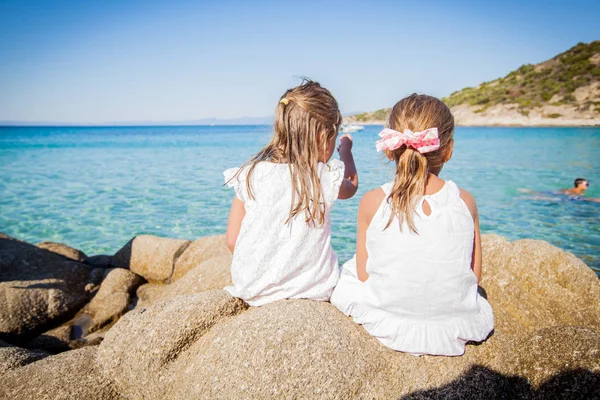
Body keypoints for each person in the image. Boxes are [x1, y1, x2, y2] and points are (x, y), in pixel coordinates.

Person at [331, 94, 494, 356]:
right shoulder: (465, 201)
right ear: (448, 150)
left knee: (348, 272)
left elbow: (364, 275)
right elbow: (474, 276)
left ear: (389, 148)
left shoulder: (372, 201)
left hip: (390, 319)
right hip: (452, 320)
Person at [223, 80, 358, 307]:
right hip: (312, 289)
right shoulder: (321, 176)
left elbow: (232, 241)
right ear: (323, 135)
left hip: (252, 288)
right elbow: (351, 186)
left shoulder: (251, 174)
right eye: (335, 135)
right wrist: (346, 151)